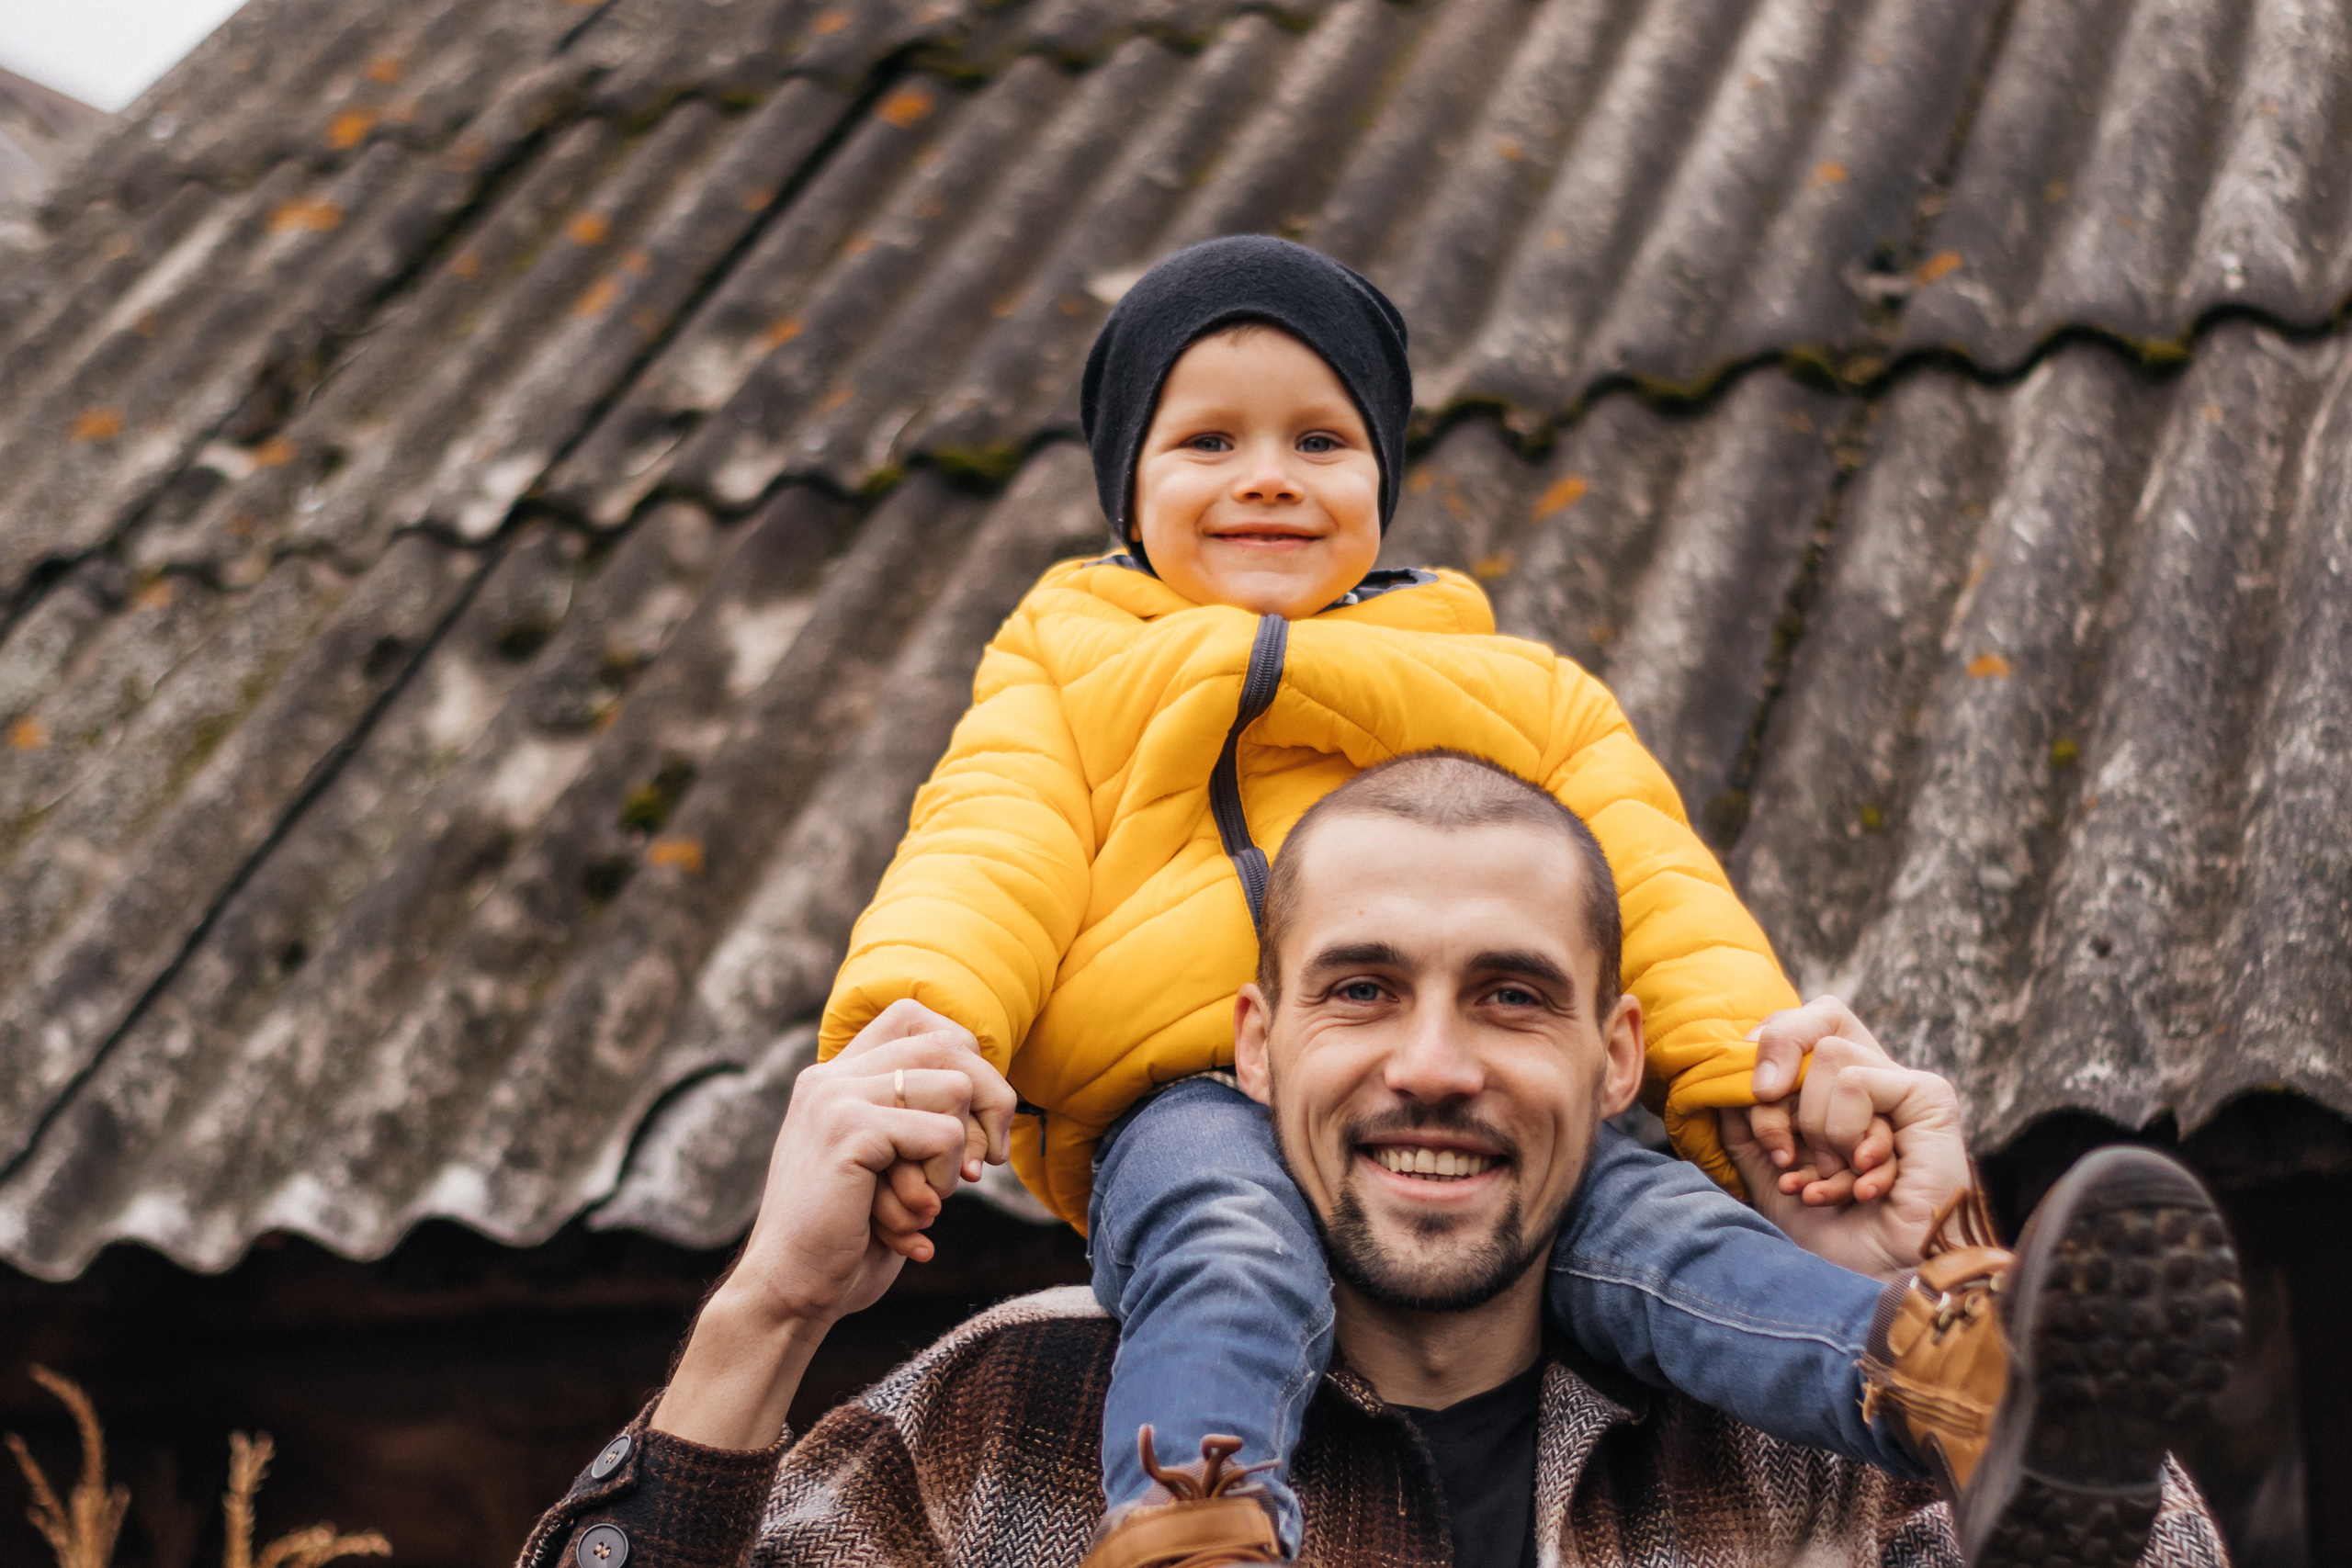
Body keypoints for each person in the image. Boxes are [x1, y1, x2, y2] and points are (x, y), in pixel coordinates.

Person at [811, 234, 1975, 1559]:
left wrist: (1762, 1083)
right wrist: (921, 1034)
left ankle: (1950, 1385)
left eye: (1321, 441)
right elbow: (983, 857)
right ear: (1125, 488)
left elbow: (1660, 894)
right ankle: (1199, 1513)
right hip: (1182, 1101)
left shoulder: (1509, 685)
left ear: (1383, 480)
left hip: (1486, 1120)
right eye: (1206, 443)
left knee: (1672, 1237)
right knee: (1227, 1246)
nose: (1267, 478)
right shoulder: (1066, 666)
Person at [515, 755, 2236, 1567]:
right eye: (1361, 991)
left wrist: (1924, 1277)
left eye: (1508, 997)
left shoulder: (1811, 1459)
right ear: (1256, 1046)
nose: (1432, 1065)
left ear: (1615, 1055)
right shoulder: (998, 1433)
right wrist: (767, 1312)